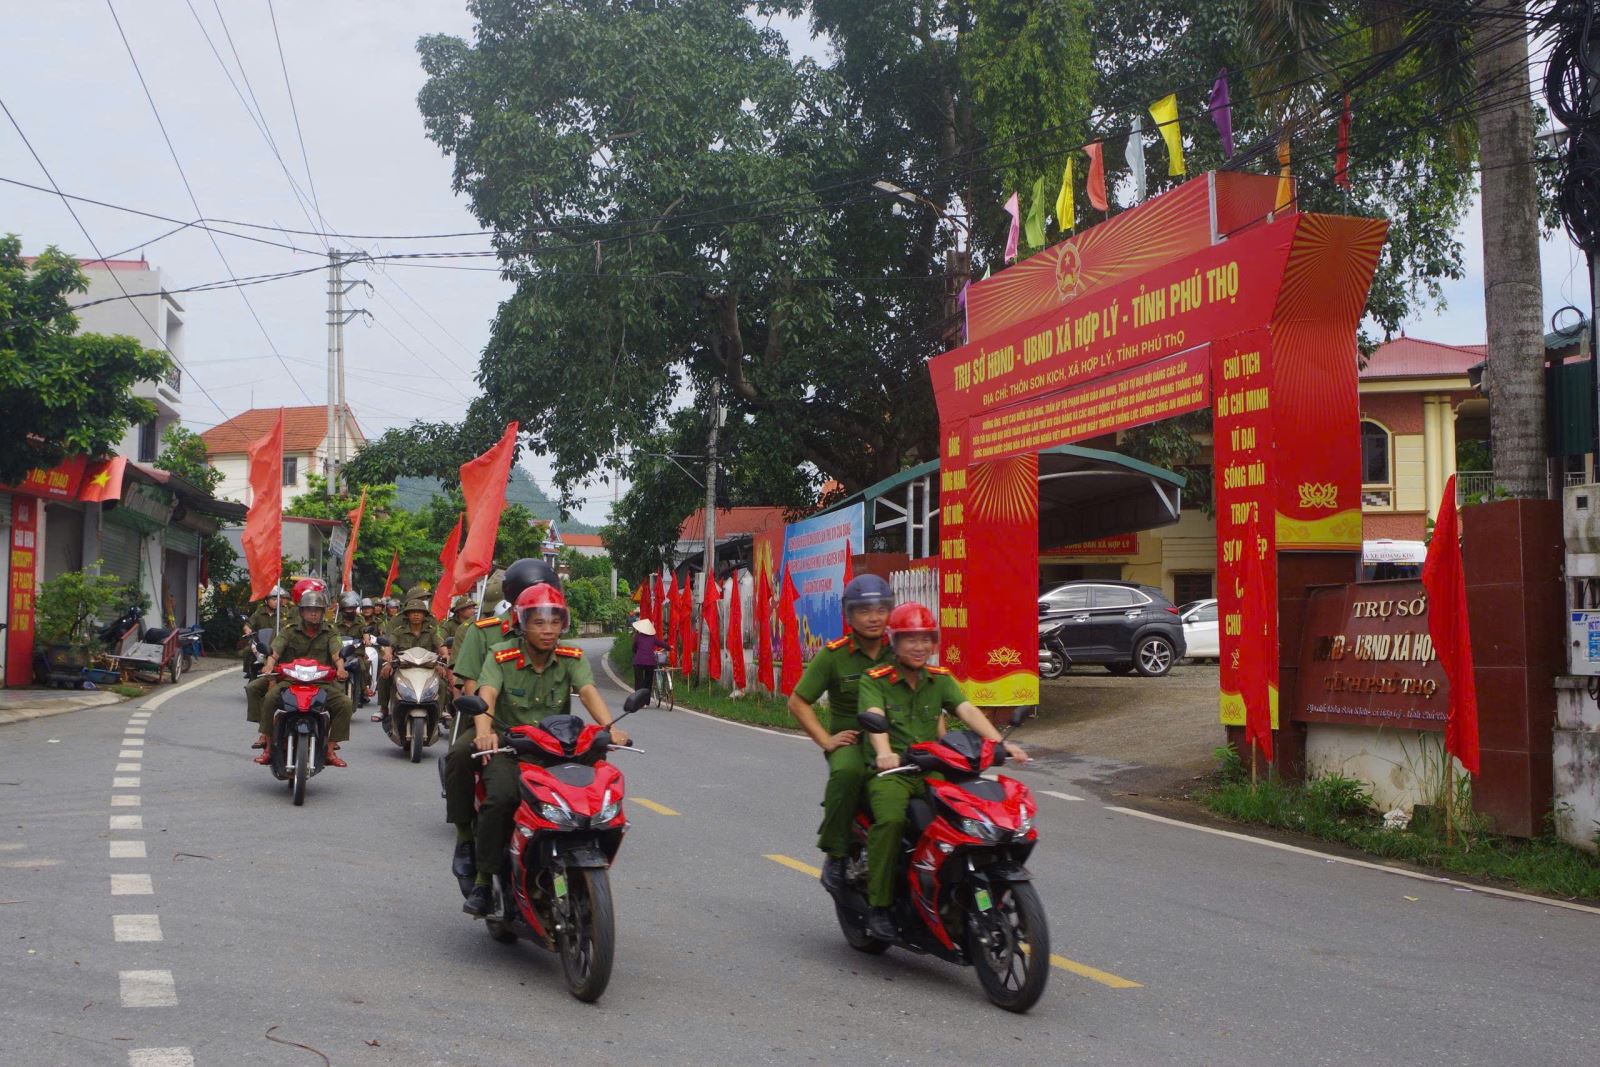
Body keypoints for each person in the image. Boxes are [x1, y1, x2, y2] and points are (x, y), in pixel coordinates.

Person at [454, 583, 629, 917]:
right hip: (511, 748)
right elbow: (487, 693)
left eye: (554, 622)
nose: (548, 630)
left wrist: (609, 728)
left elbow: (588, 691)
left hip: (558, 750)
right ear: (522, 624)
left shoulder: (570, 656)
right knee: (501, 797)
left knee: (592, 799)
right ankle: (483, 880)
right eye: (539, 622)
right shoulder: (500, 654)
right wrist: (485, 733)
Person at [857, 602, 1029, 941]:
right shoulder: (875, 679)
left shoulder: (939, 679)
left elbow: (967, 710)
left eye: (925, 639)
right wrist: (884, 752)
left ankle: (952, 890)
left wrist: (1000, 744)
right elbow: (874, 717)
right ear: (894, 641)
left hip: (934, 771)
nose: (919, 646)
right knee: (891, 821)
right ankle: (879, 906)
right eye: (910, 639)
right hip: (893, 773)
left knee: (964, 821)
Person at [785, 573, 896, 893]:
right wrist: (826, 740)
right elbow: (798, 702)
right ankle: (836, 854)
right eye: (864, 610)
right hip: (853, 741)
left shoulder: (899, 649)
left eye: (880, 609)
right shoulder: (834, 655)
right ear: (849, 615)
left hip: (897, 739)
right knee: (847, 773)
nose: (874, 618)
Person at [248, 586, 356, 769]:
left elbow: (337, 653)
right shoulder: (289, 630)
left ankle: (330, 750)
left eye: (317, 610)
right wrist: (269, 665)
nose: (313, 613)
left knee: (345, 704)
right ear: (302, 612)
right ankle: (267, 744)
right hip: (289, 680)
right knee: (268, 697)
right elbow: (275, 650)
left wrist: (340, 668)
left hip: (320, 681)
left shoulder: (330, 631)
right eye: (309, 610)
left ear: (323, 613)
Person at [377, 590, 450, 723]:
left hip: (428, 666)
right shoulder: (399, 631)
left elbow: (440, 644)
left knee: (442, 682)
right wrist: (387, 656)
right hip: (403, 665)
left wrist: (444, 656)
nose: (416, 615)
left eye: (419, 612)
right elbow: (390, 644)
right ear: (407, 615)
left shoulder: (431, 630)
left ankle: (441, 709)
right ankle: (383, 708)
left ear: (424, 615)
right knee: (385, 675)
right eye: (413, 612)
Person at [241, 585, 287, 677]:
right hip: (260, 642)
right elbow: (248, 624)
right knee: (247, 650)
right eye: (274, 599)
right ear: (266, 601)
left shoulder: (284, 613)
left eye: (278, 599)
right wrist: (247, 629)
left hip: (277, 642)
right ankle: (249, 671)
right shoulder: (259, 611)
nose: (276, 602)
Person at [335, 591, 373, 702]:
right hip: (340, 653)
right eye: (347, 609)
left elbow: (365, 631)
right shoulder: (336, 622)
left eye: (352, 608)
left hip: (356, 653)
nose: (350, 611)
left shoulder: (360, 621)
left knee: (363, 666)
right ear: (342, 610)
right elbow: (331, 635)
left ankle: (364, 688)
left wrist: (367, 639)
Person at [630, 618, 663, 692]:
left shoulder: (638, 637)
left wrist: (636, 652)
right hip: (650, 662)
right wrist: (669, 647)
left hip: (639, 662)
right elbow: (661, 643)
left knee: (639, 681)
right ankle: (646, 697)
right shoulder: (653, 638)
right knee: (648, 682)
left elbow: (634, 648)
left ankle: (638, 696)